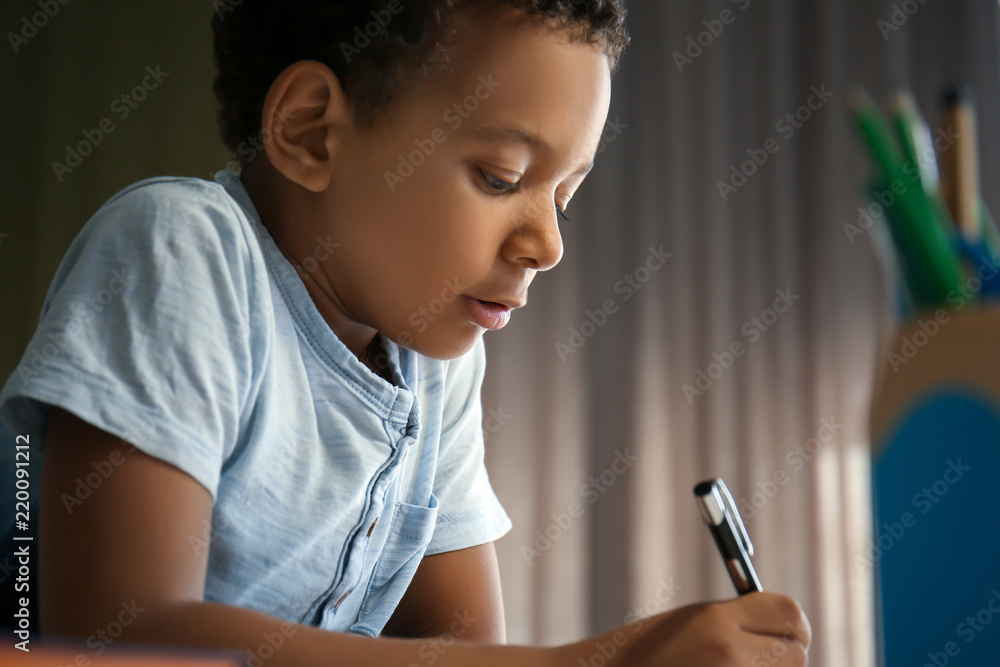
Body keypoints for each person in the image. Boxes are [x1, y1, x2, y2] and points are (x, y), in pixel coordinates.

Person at [0, 1, 811, 665]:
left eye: (564, 198)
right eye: (501, 177)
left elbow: (462, 653)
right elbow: (111, 636)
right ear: (311, 130)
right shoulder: (182, 252)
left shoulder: (433, 364)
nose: (548, 245)